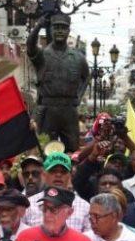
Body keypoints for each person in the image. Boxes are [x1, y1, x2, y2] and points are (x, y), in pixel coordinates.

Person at [27, 14, 90, 152]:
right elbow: (30, 47)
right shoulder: (42, 55)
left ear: (69, 31)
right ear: (50, 30)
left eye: (63, 28)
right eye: (56, 28)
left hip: (69, 110)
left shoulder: (78, 57)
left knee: (73, 149)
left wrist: (79, 97)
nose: (60, 31)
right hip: (48, 110)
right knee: (46, 150)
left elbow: (86, 77)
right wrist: (38, 27)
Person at [23, 152, 90, 232]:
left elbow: (89, 238)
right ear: (44, 174)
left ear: (70, 175)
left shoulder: (85, 207)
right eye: (53, 171)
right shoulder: (29, 205)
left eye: (63, 172)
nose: (58, 175)